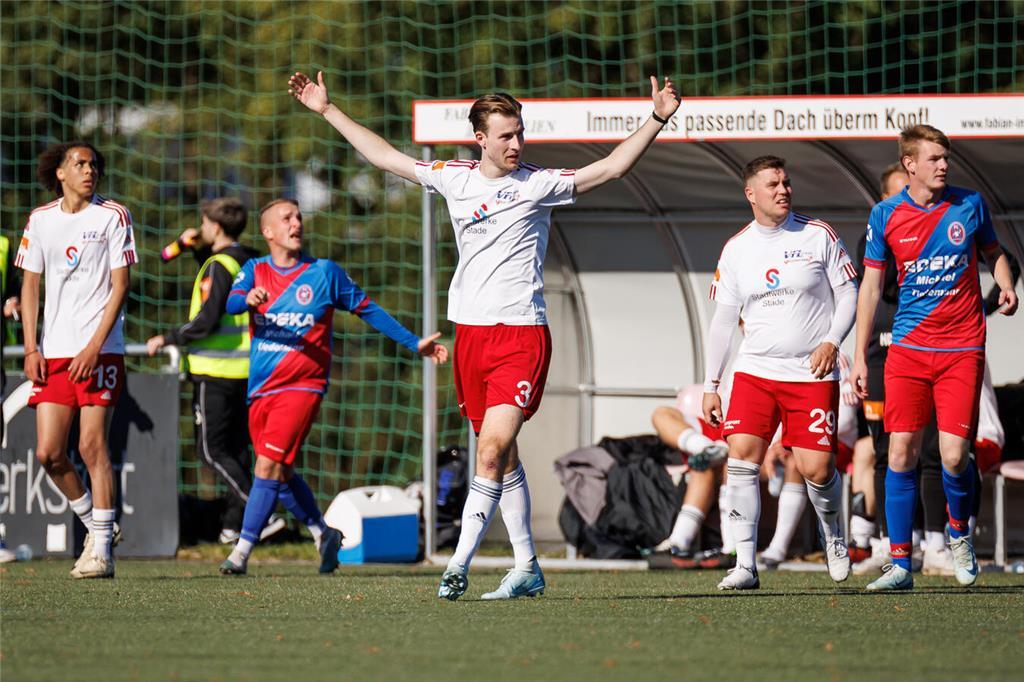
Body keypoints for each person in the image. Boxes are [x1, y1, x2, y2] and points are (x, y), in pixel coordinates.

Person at [288, 70, 681, 600]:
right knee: (502, 454)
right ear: (481, 138)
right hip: (470, 337)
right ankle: (526, 566)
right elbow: (385, 158)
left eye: (520, 133)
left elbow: (611, 168)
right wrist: (327, 110)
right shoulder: (454, 177)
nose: (516, 143)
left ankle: (458, 564)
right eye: (506, 135)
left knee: (491, 451)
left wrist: (656, 117)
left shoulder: (539, 185)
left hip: (522, 335)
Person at [218, 198, 448, 575]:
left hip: (303, 387)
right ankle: (323, 534)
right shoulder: (255, 269)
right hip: (262, 388)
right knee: (282, 469)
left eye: (298, 216)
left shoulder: (324, 273)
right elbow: (230, 303)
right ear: (268, 231)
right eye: (286, 218)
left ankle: (241, 552)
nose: (296, 223)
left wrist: (414, 342)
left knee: (269, 464)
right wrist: (248, 299)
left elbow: (369, 309)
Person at [852, 124, 1019, 591]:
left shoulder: (970, 204)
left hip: (962, 348)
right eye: (934, 159)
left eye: (946, 158)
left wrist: (1004, 284)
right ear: (910, 164)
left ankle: (959, 536)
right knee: (899, 452)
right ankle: (901, 565)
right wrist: (860, 355)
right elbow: (869, 288)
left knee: (953, 454)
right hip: (906, 350)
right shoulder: (885, 215)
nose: (944, 165)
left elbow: (995, 253)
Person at [701, 155, 859, 591]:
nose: (783, 190)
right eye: (773, 184)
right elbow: (722, 321)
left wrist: (831, 341)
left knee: (817, 467)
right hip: (755, 370)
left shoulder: (817, 234)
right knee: (742, 457)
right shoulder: (736, 249)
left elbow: (849, 293)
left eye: (786, 182)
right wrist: (712, 384)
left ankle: (834, 536)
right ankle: (746, 564)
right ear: (751, 193)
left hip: (810, 371)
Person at [15, 141, 136, 579]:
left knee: (91, 445)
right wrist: (32, 347)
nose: (90, 170)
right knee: (48, 453)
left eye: (94, 164)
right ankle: (98, 527)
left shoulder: (113, 216)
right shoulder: (40, 220)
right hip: (54, 353)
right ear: (61, 173)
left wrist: (93, 346)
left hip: (99, 349)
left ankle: (102, 552)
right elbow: (30, 286)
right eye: (79, 164)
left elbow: (120, 286)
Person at [146, 198, 285, 545]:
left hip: (216, 370)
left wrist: (169, 337)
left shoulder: (217, 265)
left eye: (205, 224)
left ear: (216, 227)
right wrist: (183, 246)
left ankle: (260, 512)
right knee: (237, 450)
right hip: (247, 370)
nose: (202, 229)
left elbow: (208, 318)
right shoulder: (248, 259)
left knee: (210, 451)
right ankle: (234, 524)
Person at [651, 384, 730, 566]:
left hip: (747, 434)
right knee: (661, 413)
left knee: (735, 462)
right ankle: (707, 449)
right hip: (719, 429)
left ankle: (733, 548)